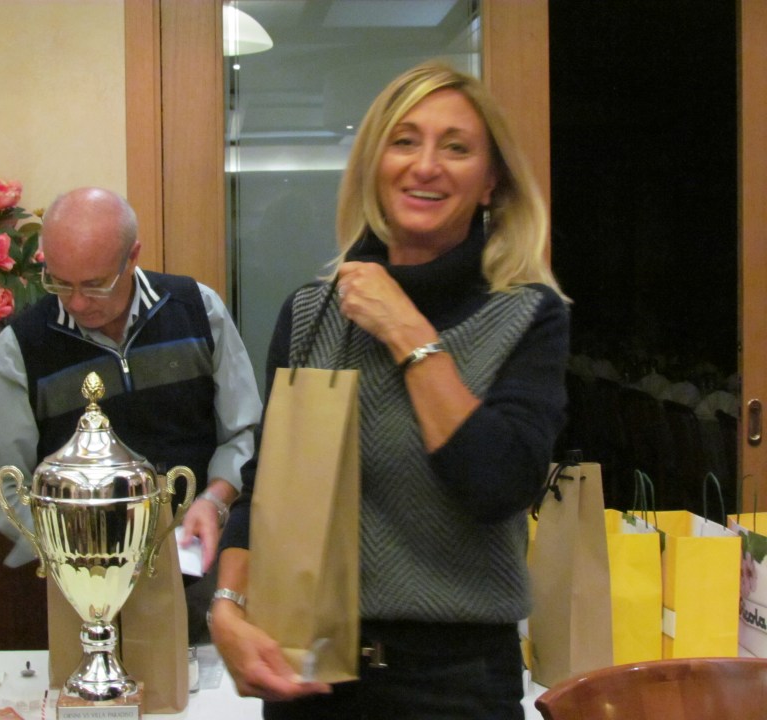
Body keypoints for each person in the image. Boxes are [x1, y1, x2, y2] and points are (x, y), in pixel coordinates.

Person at [209, 59, 571, 719]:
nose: (425, 166)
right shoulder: (311, 314)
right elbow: (262, 490)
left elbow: (497, 485)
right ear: (375, 164)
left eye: (456, 148)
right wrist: (228, 608)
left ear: (491, 181)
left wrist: (407, 332)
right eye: (404, 141)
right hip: (307, 676)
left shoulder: (527, 315)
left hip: (454, 689)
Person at [0, 187, 262, 645]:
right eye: (59, 283)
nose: (76, 303)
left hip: (202, 566)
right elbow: (2, 483)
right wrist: (77, 557)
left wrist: (216, 500)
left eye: (94, 285)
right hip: (83, 588)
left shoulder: (198, 311)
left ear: (133, 256)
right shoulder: (18, 350)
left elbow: (244, 433)